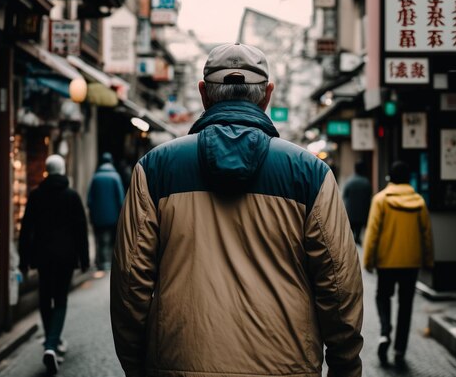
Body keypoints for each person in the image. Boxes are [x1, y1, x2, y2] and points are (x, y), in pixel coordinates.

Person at [110, 42, 364, 377]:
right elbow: (338, 284)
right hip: (286, 365)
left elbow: (130, 286)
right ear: (267, 95)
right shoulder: (310, 173)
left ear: (204, 93)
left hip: (179, 364)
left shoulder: (155, 169)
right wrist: (345, 366)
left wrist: (138, 364)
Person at [18, 154, 89, 375]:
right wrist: (84, 259)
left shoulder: (36, 195)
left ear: (47, 171)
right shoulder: (71, 196)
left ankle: (52, 341)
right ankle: (51, 344)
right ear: (62, 169)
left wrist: (23, 259)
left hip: (42, 256)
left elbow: (26, 229)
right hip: (66, 257)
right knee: (60, 299)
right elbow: (81, 230)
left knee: (44, 297)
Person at [362, 160, 434, 369]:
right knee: (406, 305)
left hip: (386, 262)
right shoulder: (419, 201)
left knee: (383, 297)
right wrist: (428, 259)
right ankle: (400, 349)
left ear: (390, 178)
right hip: (411, 262)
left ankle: (385, 332)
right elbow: (426, 234)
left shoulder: (381, 200)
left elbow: (372, 232)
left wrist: (368, 260)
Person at [87, 152, 125, 272]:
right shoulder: (115, 177)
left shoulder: (95, 177)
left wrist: (93, 212)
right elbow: (120, 199)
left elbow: (89, 200)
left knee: (99, 239)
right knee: (108, 239)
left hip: (97, 217)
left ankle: (99, 261)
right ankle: (106, 261)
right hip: (112, 216)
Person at [341, 161, 372, 245]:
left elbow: (344, 195)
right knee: (358, 229)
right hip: (362, 212)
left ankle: (351, 242)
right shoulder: (366, 182)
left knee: (351, 229)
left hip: (350, 211)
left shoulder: (350, 181)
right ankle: (357, 238)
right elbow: (369, 197)